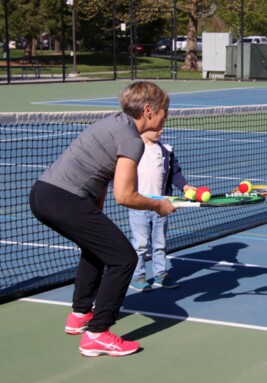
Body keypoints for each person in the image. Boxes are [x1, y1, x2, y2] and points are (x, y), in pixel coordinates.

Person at [29, 81, 175, 357]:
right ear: (148, 110)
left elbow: (102, 177)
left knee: (97, 248)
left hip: (43, 194)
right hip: (64, 199)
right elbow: (125, 195)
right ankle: (97, 333)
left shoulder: (112, 123)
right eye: (164, 110)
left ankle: (80, 316)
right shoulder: (132, 140)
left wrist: (95, 213)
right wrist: (158, 205)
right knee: (124, 258)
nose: (166, 115)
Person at [128, 127, 195, 292]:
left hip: (161, 206)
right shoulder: (132, 149)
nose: (161, 130)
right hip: (139, 205)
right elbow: (118, 174)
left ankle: (160, 274)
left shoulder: (166, 150)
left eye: (162, 127)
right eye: (157, 128)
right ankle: (138, 276)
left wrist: (185, 186)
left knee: (160, 243)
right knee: (141, 245)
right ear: (143, 129)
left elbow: (175, 173)